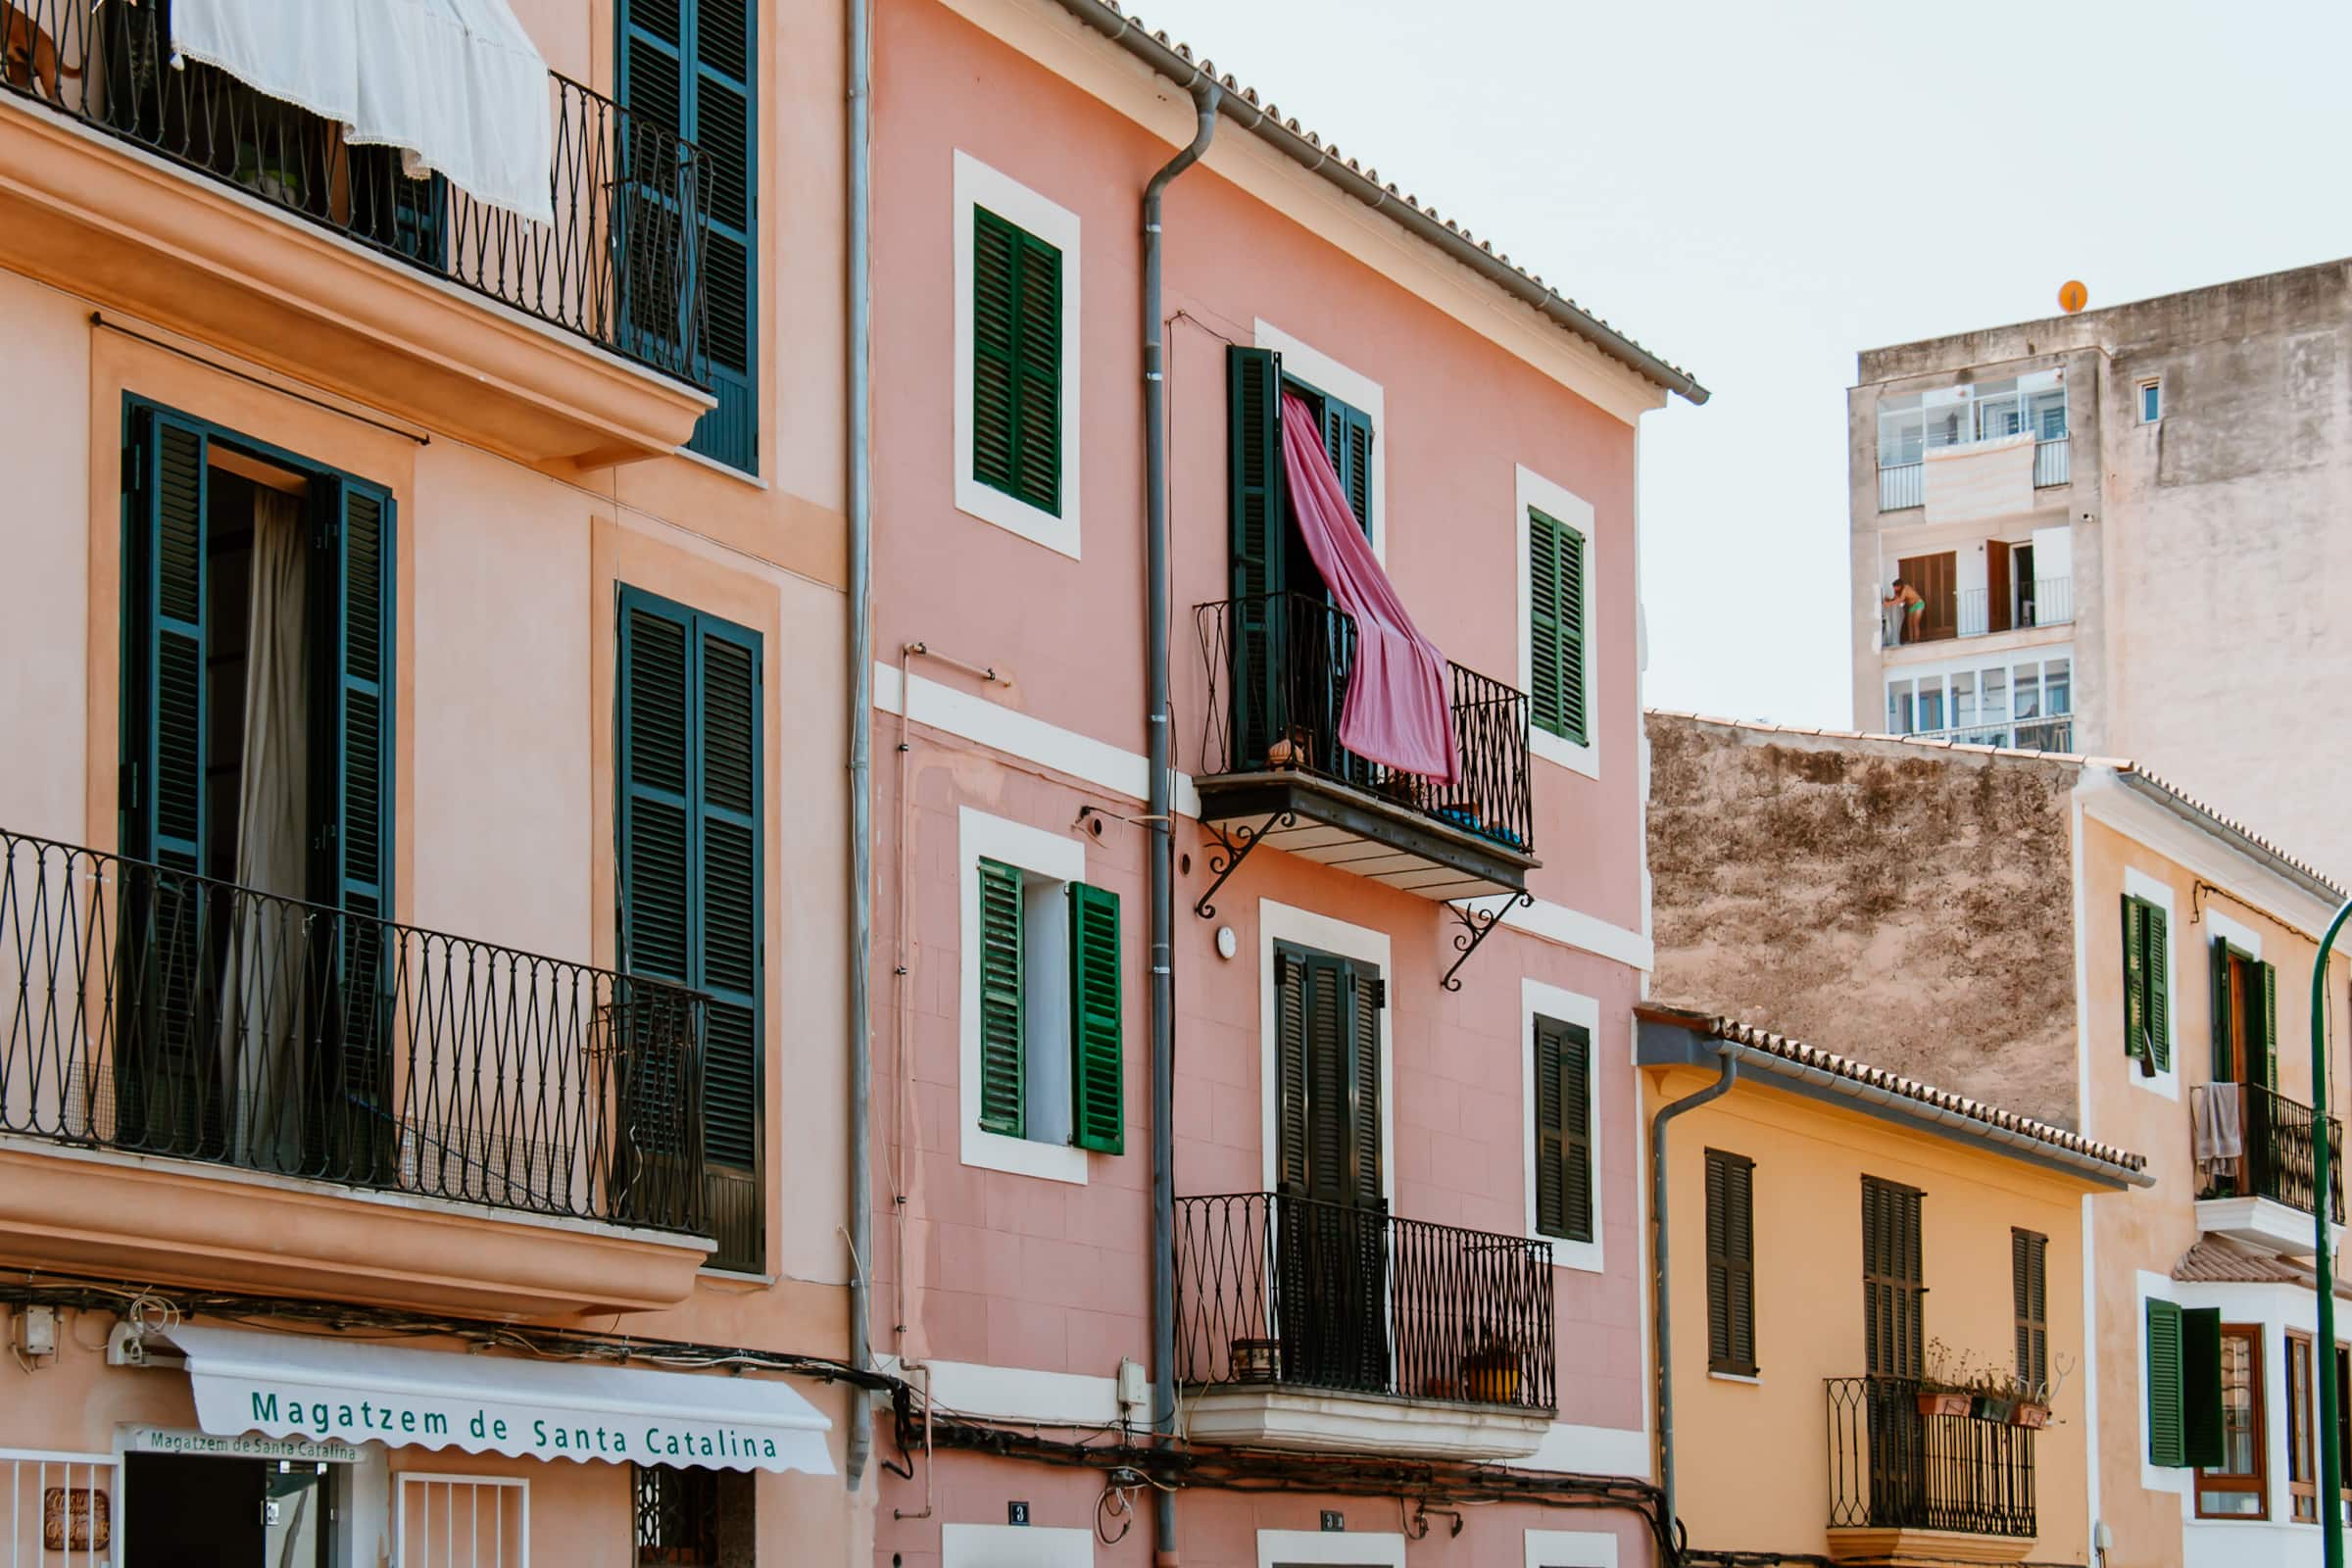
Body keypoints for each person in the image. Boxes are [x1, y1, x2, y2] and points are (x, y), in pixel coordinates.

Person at [1884, 578, 1925, 645]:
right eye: (1893, 587)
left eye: (1895, 587)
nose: (1894, 589)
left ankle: (1916, 641)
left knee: (1915, 623)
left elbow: (1900, 600)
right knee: (1910, 624)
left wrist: (1888, 604)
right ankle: (1911, 641)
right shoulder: (1897, 591)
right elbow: (1895, 599)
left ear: (1899, 586)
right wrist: (1888, 599)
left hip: (1918, 604)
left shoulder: (1906, 588)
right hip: (1911, 607)